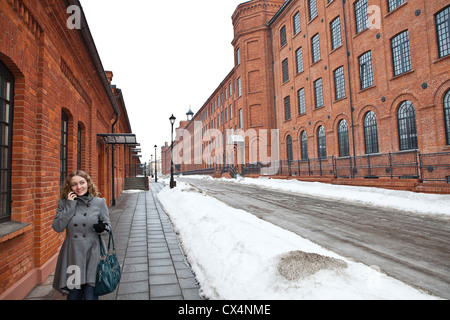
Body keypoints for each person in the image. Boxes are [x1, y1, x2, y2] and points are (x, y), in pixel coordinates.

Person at [52, 170, 111, 300]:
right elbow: (58, 227)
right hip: (73, 256)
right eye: (74, 184)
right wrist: (70, 205)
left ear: (88, 183)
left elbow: (108, 229)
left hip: (93, 254)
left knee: (91, 295)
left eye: (82, 182)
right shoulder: (64, 203)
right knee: (74, 295)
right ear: (70, 187)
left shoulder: (99, 202)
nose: (79, 187)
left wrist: (102, 228)